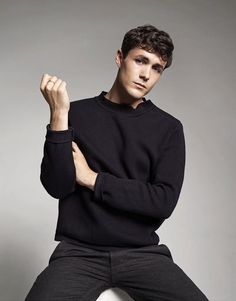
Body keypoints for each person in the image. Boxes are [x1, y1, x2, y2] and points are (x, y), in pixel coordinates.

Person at [25, 24, 209, 301]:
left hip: (142, 254)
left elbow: (162, 201)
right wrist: (59, 115)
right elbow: (58, 186)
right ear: (119, 57)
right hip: (78, 253)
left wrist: (92, 179)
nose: (146, 74)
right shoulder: (76, 113)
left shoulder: (168, 128)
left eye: (157, 68)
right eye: (140, 60)